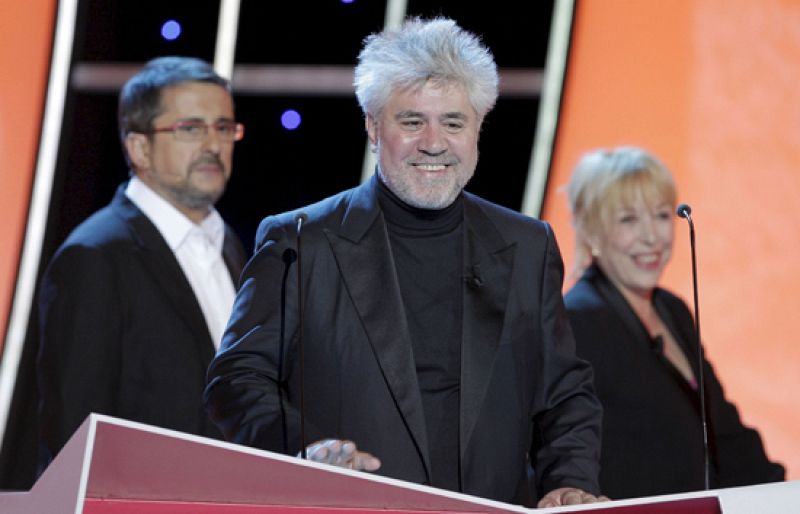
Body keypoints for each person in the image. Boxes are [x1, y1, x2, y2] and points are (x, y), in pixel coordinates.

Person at [204, 18, 605, 508]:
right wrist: (306, 451)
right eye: (412, 122)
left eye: (453, 123)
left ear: (478, 128)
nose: (434, 142)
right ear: (373, 127)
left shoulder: (527, 245)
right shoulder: (301, 241)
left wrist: (567, 481)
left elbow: (563, 392)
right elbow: (237, 380)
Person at [37, 56, 247, 472]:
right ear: (140, 147)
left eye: (223, 127)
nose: (213, 144)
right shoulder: (95, 256)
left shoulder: (230, 244)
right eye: (190, 128)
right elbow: (75, 436)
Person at [563, 146, 785, 499]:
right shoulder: (576, 320)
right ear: (591, 231)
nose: (652, 236)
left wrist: (781, 495)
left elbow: (723, 429)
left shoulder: (673, 309)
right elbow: (575, 449)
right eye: (628, 219)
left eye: (661, 215)